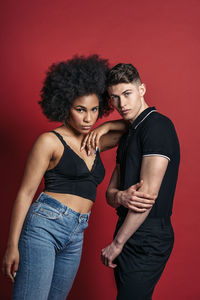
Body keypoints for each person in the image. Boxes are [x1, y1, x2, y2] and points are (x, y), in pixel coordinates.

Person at [2, 55, 155, 300]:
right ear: (64, 107)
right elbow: (25, 193)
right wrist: (12, 245)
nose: (88, 118)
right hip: (44, 227)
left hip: (77, 232)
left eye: (94, 110)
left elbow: (135, 125)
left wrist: (104, 128)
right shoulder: (49, 141)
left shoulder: (94, 141)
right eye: (80, 110)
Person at [101, 63, 180, 300]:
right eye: (114, 97)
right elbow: (110, 194)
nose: (121, 104)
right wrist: (120, 196)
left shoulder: (157, 126)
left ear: (142, 90)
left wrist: (117, 243)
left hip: (149, 235)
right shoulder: (129, 134)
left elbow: (146, 197)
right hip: (128, 229)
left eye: (127, 94)